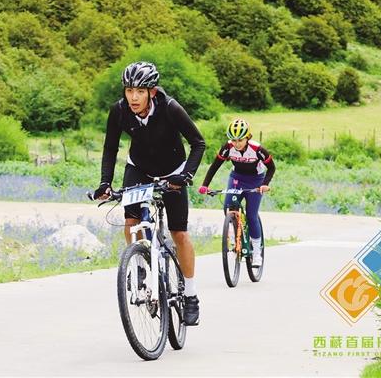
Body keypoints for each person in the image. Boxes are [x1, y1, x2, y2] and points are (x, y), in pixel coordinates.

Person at [94, 61, 206, 326]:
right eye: (129, 90)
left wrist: (185, 176)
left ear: (152, 92)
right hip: (139, 168)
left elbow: (198, 143)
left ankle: (190, 295)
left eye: (140, 91)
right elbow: (110, 148)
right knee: (132, 221)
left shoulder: (170, 108)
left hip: (173, 171)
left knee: (179, 233)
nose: (133, 97)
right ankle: (141, 266)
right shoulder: (119, 111)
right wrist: (105, 182)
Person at [198, 118, 276, 267]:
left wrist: (265, 184)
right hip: (237, 178)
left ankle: (257, 252)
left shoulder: (257, 149)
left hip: (256, 180)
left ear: (248, 137)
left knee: (251, 215)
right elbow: (214, 166)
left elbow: (272, 167)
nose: (237, 143)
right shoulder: (227, 148)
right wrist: (205, 185)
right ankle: (235, 238)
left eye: (240, 140)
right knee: (228, 207)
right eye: (233, 140)